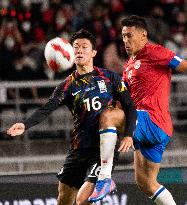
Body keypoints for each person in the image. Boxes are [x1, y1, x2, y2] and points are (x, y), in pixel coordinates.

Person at [7, 29, 137, 205]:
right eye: (76, 47)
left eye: (84, 47)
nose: (80, 51)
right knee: (64, 199)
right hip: (78, 150)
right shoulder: (67, 86)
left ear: (93, 52)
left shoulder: (110, 78)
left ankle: (104, 178)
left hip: (102, 150)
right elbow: (46, 108)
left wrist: (128, 134)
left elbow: (130, 106)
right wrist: (25, 124)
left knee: (83, 200)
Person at [89, 15, 187, 204]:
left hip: (153, 120)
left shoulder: (155, 52)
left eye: (130, 35)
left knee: (108, 117)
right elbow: (123, 103)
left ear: (143, 35)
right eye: (124, 36)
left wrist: (110, 119)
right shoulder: (128, 66)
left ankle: (104, 179)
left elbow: (183, 65)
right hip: (145, 127)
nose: (125, 40)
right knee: (146, 184)